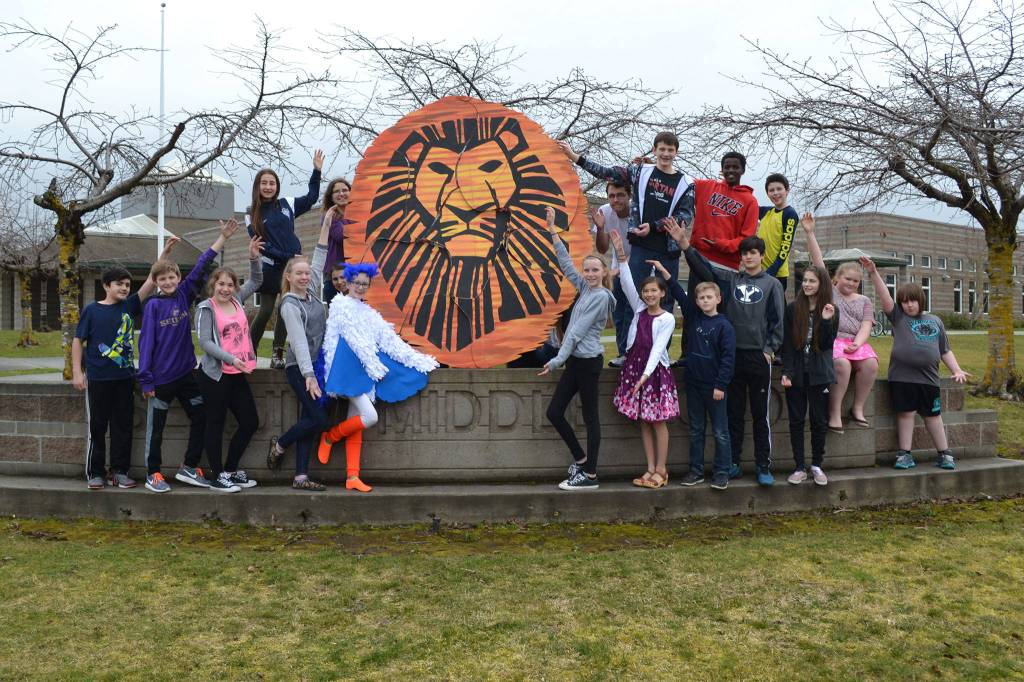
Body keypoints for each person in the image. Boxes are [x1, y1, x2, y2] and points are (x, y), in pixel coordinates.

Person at [675, 220, 785, 486]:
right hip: (732, 357)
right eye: (744, 253)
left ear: (761, 255)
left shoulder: (772, 285)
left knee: (760, 415)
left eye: (753, 253)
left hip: (758, 357)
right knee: (733, 413)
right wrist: (685, 245)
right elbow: (705, 268)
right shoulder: (731, 280)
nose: (748, 257)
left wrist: (770, 349)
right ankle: (734, 462)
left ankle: (763, 465)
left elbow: (778, 321)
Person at [318, 263, 440, 493]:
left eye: (365, 284)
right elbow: (355, 341)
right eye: (357, 283)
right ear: (348, 282)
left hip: (362, 373)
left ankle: (352, 476)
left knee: (356, 423)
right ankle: (330, 437)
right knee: (369, 416)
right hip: (345, 372)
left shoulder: (368, 312)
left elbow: (389, 340)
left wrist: (418, 360)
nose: (361, 287)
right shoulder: (340, 305)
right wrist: (375, 367)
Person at [138, 220, 239, 493]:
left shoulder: (184, 295)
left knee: (201, 415)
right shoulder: (153, 306)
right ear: (156, 283)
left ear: (178, 279)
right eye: (162, 279)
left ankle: (189, 466)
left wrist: (222, 238)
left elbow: (203, 265)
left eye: (172, 277)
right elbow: (145, 344)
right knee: (156, 429)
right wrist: (146, 380)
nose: (168, 282)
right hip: (160, 380)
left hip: (186, 375)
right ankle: (153, 473)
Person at [71, 241, 175, 490]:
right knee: (97, 427)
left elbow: (151, 280)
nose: (125, 288)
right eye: (119, 284)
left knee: (123, 427)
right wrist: (77, 371)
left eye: (127, 284)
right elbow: (77, 341)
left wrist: (164, 256)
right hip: (98, 378)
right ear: (107, 285)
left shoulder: (129, 305)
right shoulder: (92, 311)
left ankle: (120, 471)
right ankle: (95, 472)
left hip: (125, 377)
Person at [558, 133, 695, 317]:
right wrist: (575, 157)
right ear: (654, 150)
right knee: (635, 301)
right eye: (662, 149)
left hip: (668, 251)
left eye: (670, 150)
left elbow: (684, 215)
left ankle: (662, 346)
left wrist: (654, 226)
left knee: (665, 301)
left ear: (676, 152)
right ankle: (633, 345)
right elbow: (607, 172)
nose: (666, 154)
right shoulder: (641, 171)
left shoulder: (686, 183)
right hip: (640, 247)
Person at [862, 257, 969, 470]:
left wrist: (956, 369)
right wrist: (873, 274)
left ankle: (945, 453)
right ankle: (904, 454)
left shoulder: (935, 320)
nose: (909, 305)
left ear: (922, 300)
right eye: (905, 301)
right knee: (905, 414)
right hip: (902, 379)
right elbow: (885, 299)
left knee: (933, 416)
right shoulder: (899, 318)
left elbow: (944, 350)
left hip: (929, 380)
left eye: (913, 301)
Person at [538, 207, 616, 491]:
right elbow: (566, 266)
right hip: (575, 362)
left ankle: (591, 476)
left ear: (604, 272)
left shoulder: (601, 298)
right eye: (588, 270)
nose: (590, 274)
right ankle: (581, 460)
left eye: (595, 270)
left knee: (590, 417)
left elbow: (576, 333)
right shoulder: (584, 289)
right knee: (555, 412)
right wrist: (552, 231)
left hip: (587, 363)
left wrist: (556, 360)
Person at [650, 259, 736, 491]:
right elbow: (678, 292)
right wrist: (665, 271)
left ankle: (721, 472)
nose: (705, 301)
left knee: (720, 432)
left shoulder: (724, 326)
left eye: (709, 297)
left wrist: (721, 385)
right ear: (696, 301)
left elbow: (728, 359)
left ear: (718, 299)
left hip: (715, 388)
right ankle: (696, 471)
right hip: (694, 384)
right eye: (701, 298)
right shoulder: (694, 316)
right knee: (696, 429)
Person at [265, 215, 332, 490]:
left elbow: (319, 258)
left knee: (308, 417)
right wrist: (308, 375)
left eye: (307, 274)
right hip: (300, 368)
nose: (305, 276)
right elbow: (299, 342)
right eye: (299, 273)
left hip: (318, 365)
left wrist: (326, 225)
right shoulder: (290, 304)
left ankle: (301, 476)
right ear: (288, 277)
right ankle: (280, 444)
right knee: (318, 419)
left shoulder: (313, 293)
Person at [194, 234, 265, 492]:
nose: (225, 289)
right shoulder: (206, 308)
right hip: (215, 375)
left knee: (250, 422)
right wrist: (231, 358)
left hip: (238, 372)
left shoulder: (237, 300)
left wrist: (253, 257)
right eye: (220, 284)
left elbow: (257, 280)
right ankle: (217, 476)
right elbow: (205, 343)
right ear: (213, 285)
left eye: (229, 285)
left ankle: (231, 469)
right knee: (216, 423)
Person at [608, 230, 679, 489]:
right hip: (634, 367)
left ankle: (662, 468)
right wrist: (621, 254)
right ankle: (649, 468)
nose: (649, 295)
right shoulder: (639, 310)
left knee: (657, 419)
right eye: (646, 291)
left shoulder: (667, 319)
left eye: (654, 291)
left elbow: (658, 348)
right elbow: (626, 282)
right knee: (642, 419)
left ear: (661, 293)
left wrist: (645, 377)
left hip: (653, 373)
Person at [801, 213, 879, 432]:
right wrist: (810, 233)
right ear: (836, 279)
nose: (851, 283)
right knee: (842, 365)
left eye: (856, 281)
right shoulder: (830, 294)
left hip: (856, 344)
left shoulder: (864, 301)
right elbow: (819, 264)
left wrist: (858, 342)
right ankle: (834, 413)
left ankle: (858, 408)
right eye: (847, 279)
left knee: (871, 364)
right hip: (834, 343)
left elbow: (866, 324)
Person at [246, 150, 324, 368]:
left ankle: (277, 356)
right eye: (264, 183)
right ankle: (248, 352)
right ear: (257, 186)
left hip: (290, 268)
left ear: (277, 186)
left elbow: (311, 198)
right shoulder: (250, 212)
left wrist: (316, 172)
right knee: (266, 311)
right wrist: (290, 256)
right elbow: (263, 246)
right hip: (270, 268)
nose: (268, 187)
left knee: (285, 310)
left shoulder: (286, 204)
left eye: (272, 183)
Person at [780, 264, 839, 486]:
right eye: (804, 280)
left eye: (812, 281)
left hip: (820, 375)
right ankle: (798, 467)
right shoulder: (793, 308)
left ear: (821, 284)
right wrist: (787, 371)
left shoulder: (832, 310)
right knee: (796, 421)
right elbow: (787, 345)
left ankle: (816, 465)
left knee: (818, 421)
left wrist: (824, 320)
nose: (806, 284)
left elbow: (825, 345)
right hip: (796, 374)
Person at [689, 152, 759, 273]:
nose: (731, 170)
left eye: (735, 167)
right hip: (699, 258)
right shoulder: (705, 187)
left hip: (728, 266)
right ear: (722, 170)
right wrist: (654, 166)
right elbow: (678, 181)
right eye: (727, 167)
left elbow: (747, 238)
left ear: (742, 170)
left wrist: (720, 244)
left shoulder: (750, 201)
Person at [591, 179, 633, 366]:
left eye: (620, 195)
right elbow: (601, 249)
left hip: (641, 265)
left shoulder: (638, 211)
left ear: (629, 196)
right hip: (619, 268)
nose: (615, 200)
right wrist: (600, 228)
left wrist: (626, 266)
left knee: (635, 312)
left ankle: (639, 354)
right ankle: (623, 353)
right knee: (620, 313)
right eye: (611, 196)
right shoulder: (606, 211)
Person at [756, 173, 800, 291]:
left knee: (778, 308)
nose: (775, 193)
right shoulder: (766, 212)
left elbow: (785, 248)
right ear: (767, 193)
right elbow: (746, 203)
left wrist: (771, 272)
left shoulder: (790, 214)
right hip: (759, 271)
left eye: (779, 189)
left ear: (787, 190)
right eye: (771, 190)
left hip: (776, 275)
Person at [321, 177, 354, 304]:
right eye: (337, 191)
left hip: (354, 272)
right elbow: (342, 237)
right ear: (331, 196)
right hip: (335, 276)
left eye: (345, 190)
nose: (341, 194)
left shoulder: (358, 213)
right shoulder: (329, 215)